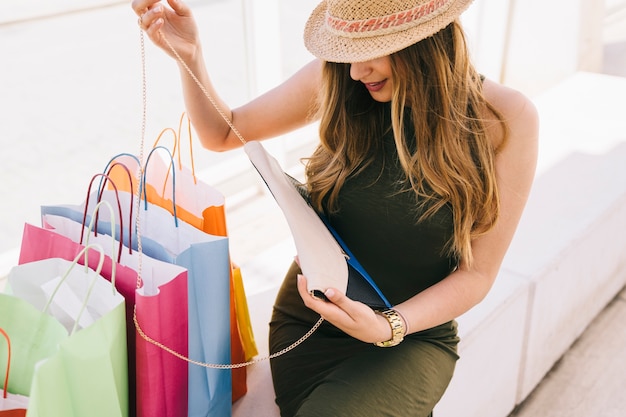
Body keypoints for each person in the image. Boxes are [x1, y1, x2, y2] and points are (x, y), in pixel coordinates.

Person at [132, 0, 539, 415]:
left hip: (412, 333)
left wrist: (388, 324)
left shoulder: (505, 119)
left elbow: (478, 273)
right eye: (348, 50)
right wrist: (190, 56)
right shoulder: (341, 72)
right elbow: (222, 132)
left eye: (371, 48)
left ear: (425, 39)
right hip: (312, 321)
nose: (355, 71)